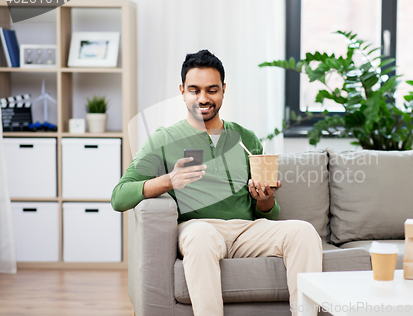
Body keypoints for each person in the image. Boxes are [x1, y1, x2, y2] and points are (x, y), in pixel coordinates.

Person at [111, 49, 322, 316]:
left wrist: (265, 199)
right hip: (199, 228)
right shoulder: (163, 139)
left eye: (212, 90)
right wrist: (168, 180)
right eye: (194, 90)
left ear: (223, 90)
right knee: (200, 236)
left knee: (303, 232)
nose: (203, 98)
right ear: (182, 91)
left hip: (246, 230)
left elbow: (268, 212)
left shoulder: (245, 137)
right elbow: (119, 196)